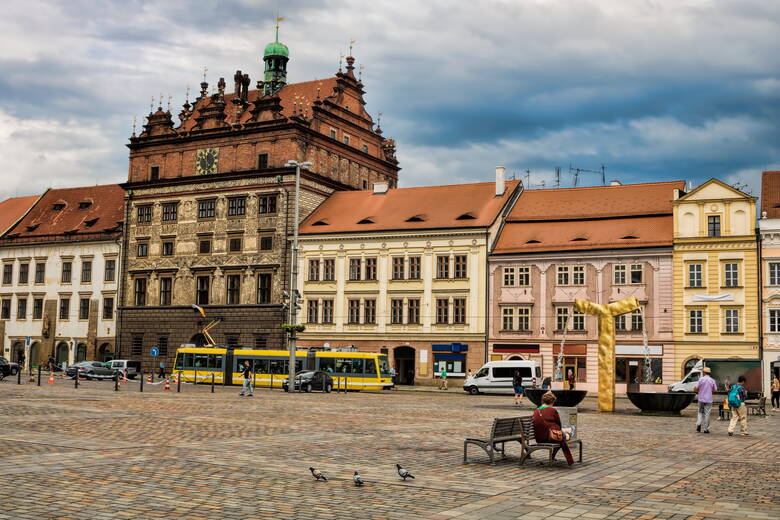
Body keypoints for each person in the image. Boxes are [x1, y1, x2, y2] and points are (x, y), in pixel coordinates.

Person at [532, 391, 576, 465]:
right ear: (552, 403)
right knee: (565, 434)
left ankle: (568, 431)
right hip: (550, 437)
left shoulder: (536, 411)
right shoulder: (552, 410)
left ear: (542, 401)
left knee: (563, 432)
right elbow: (558, 424)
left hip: (539, 438)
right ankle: (569, 432)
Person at [693, 366, 717, 433]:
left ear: (704, 372)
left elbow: (695, 388)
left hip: (701, 399)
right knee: (707, 414)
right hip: (709, 399)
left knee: (700, 412)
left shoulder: (701, 379)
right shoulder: (712, 380)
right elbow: (715, 390)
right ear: (709, 373)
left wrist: (698, 390)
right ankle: (706, 429)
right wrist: (710, 390)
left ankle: (698, 425)